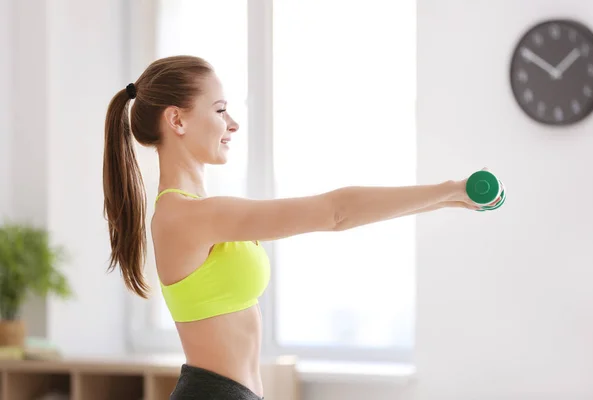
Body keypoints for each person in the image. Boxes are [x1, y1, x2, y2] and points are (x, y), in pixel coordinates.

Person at [102, 55, 499, 400]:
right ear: (177, 120)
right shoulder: (186, 216)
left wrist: (452, 198)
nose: (233, 123)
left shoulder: (198, 213)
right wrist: (450, 190)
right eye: (220, 110)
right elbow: (334, 212)